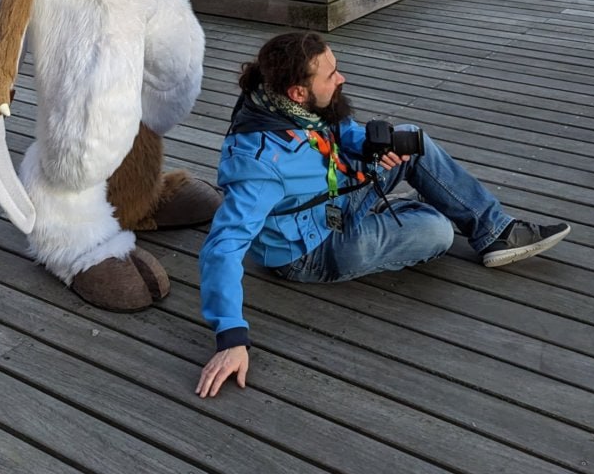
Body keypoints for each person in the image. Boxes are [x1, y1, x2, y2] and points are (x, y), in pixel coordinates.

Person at [196, 31, 570, 398]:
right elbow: (222, 247)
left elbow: (339, 132)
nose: (341, 78)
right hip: (312, 250)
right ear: (298, 92)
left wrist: (372, 146)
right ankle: (424, 206)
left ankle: (495, 231)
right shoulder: (258, 166)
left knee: (409, 139)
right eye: (331, 75)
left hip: (332, 197)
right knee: (438, 230)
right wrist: (231, 337)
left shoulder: (292, 104)